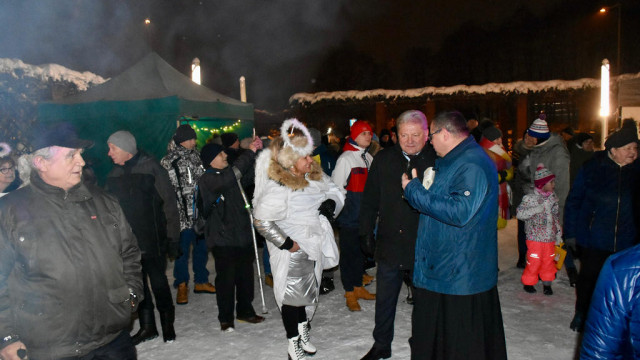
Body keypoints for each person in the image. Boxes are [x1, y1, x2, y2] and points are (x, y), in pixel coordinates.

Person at [0, 125, 143, 360]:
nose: (81, 162)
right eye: (71, 155)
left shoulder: (105, 202)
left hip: (113, 342)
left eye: (80, 154)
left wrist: (130, 296)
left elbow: (129, 253)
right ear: (41, 162)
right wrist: (6, 336)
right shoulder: (10, 211)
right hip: (50, 348)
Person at [401, 110, 507, 360]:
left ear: (445, 133)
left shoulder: (470, 163)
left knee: (460, 345)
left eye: (432, 136)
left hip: (459, 273)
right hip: (447, 268)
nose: (430, 142)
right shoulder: (455, 159)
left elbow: (459, 212)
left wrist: (414, 191)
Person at [253, 119, 344, 360]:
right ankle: (293, 344)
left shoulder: (314, 176)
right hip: (292, 249)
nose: (311, 160)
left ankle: (303, 333)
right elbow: (261, 221)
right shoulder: (280, 187)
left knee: (305, 295)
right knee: (292, 299)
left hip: (312, 243)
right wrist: (287, 244)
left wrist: (330, 204)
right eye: (305, 157)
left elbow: (335, 191)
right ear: (293, 162)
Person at [359, 110, 437, 360]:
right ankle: (381, 344)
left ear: (426, 135)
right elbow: (370, 199)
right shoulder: (383, 159)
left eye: (416, 135)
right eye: (404, 135)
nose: (410, 140)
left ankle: (421, 343)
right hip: (390, 239)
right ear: (395, 135)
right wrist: (366, 231)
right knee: (385, 298)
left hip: (423, 242)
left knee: (424, 300)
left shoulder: (438, 159)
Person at [106, 130, 181, 344]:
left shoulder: (152, 168)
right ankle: (148, 327)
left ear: (126, 149)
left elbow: (169, 204)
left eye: (112, 148)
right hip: (127, 243)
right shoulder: (114, 175)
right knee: (138, 286)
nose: (109, 153)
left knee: (158, 283)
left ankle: (168, 326)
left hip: (153, 239)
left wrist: (173, 237)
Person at [564, 121, 640, 332]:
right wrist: (570, 233)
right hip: (594, 238)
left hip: (629, 240)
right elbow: (574, 201)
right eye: (628, 149)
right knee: (589, 280)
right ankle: (583, 313)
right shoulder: (592, 168)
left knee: (626, 285)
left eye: (635, 148)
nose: (633, 153)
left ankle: (622, 320)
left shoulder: (637, 171)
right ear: (613, 150)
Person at [198, 139, 265, 333]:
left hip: (242, 235)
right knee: (226, 280)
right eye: (220, 154)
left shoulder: (230, 176)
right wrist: (249, 152)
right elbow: (232, 176)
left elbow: (249, 176)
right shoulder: (208, 179)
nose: (225, 155)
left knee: (245, 277)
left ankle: (245, 310)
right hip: (222, 239)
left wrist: (259, 156)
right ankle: (225, 317)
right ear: (211, 160)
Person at [161, 124, 215, 306]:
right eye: (191, 138)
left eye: (194, 138)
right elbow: (167, 190)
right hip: (181, 217)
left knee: (201, 249)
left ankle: (201, 281)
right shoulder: (169, 161)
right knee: (182, 252)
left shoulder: (198, 157)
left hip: (199, 214)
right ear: (183, 140)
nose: (194, 141)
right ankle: (181, 284)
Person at [331, 119, 376, 311]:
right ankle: (349, 291)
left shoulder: (369, 158)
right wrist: (338, 213)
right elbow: (336, 188)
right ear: (356, 136)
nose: (369, 136)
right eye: (365, 133)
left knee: (360, 254)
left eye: (370, 133)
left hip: (365, 216)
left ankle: (358, 287)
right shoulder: (346, 158)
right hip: (350, 217)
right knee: (349, 256)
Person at [580, 243, 640, 359]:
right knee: (589, 280)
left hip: (621, 244)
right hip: (598, 246)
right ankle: (580, 312)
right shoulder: (623, 267)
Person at [516, 164, 562, 295]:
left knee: (549, 261)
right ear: (542, 184)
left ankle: (547, 283)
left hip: (549, 238)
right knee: (534, 260)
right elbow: (520, 213)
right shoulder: (530, 199)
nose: (553, 184)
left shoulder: (553, 198)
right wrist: (536, 210)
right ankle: (529, 282)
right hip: (534, 237)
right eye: (550, 182)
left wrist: (558, 234)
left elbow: (555, 217)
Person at [309, 128, 338, 294]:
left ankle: (327, 277)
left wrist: (329, 204)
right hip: (311, 209)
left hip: (322, 208)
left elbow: (330, 183)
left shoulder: (323, 157)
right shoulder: (304, 158)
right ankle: (316, 276)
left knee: (325, 242)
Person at [526, 114, 570, 225]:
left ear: (538, 137)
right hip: (539, 208)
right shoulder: (536, 151)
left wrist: (558, 212)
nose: (528, 139)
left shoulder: (558, 153)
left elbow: (562, 185)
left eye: (531, 136)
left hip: (553, 209)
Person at [510, 130, 538, 268]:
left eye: (531, 136)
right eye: (526, 136)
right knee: (522, 229)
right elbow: (517, 180)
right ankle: (522, 256)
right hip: (523, 197)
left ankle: (535, 257)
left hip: (538, 198)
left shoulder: (543, 153)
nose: (528, 139)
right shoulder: (520, 153)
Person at [479, 125, 513, 229]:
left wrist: (506, 175)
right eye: (497, 138)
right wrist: (500, 176)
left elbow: (510, 168)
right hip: (489, 191)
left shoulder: (500, 151)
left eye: (500, 138)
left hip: (501, 188)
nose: (499, 141)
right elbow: (483, 174)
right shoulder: (482, 152)